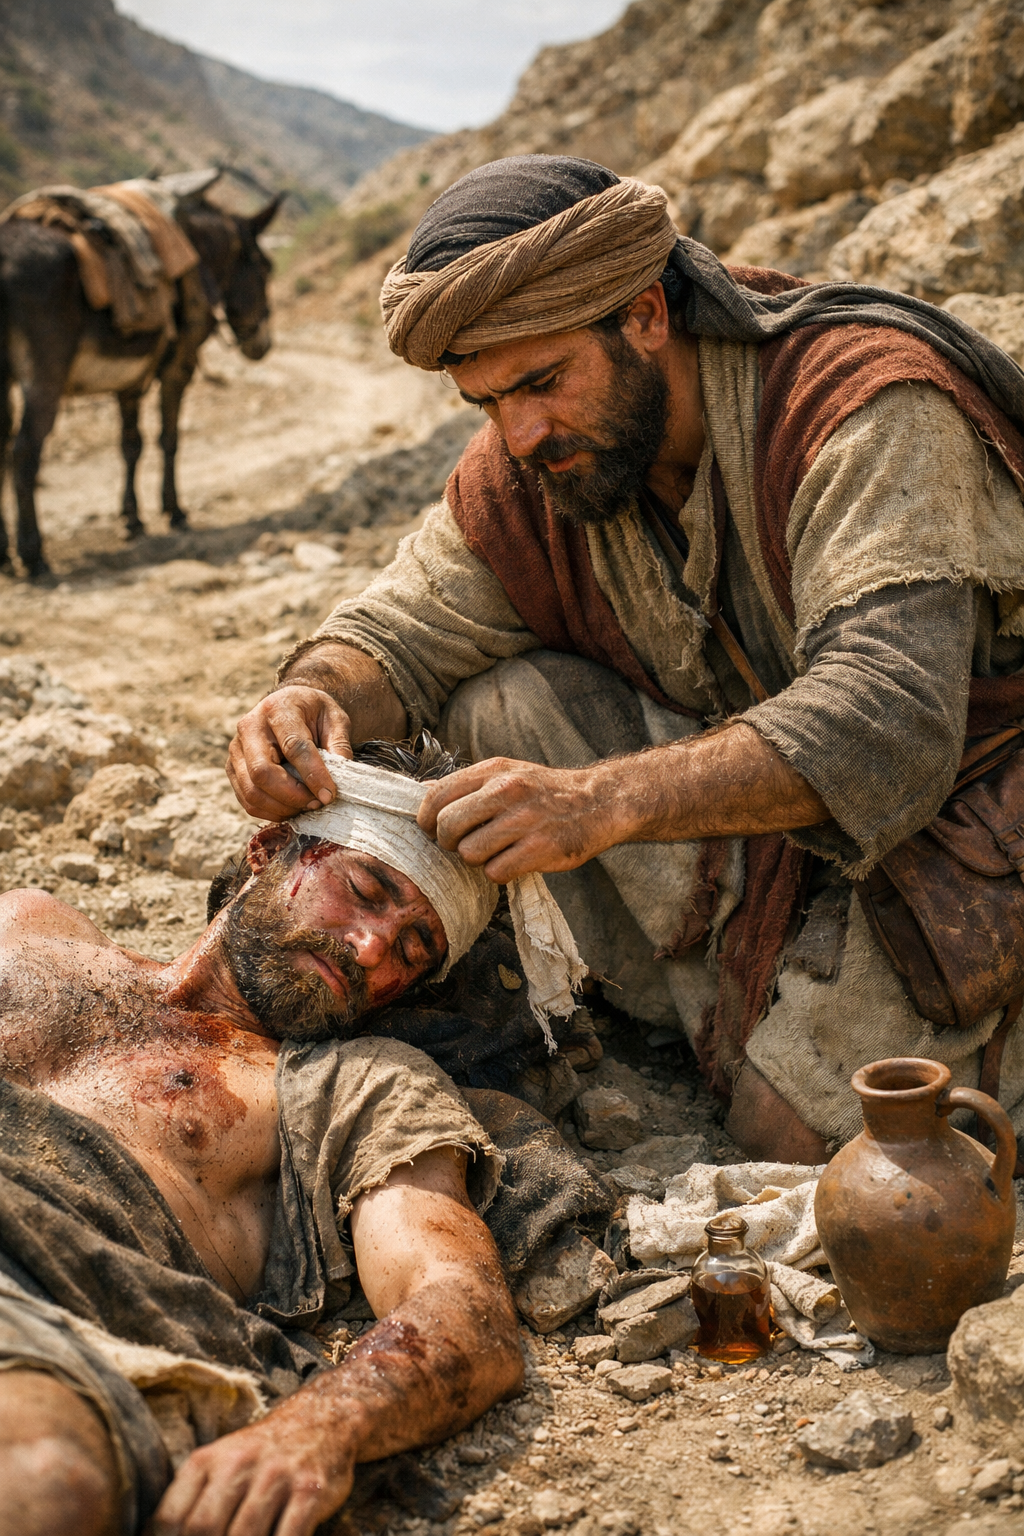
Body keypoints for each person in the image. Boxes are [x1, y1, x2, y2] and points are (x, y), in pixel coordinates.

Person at [227, 154, 1024, 1164]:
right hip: (796, 822)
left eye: (542, 383)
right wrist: (308, 695)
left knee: (800, 1137)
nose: (518, 433)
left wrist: (598, 803)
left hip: (973, 817)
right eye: (486, 404)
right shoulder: (549, 457)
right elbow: (396, 636)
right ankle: (739, 1008)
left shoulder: (863, 408)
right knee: (497, 703)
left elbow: (886, 721)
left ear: (646, 315)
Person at [0, 736, 601, 1536]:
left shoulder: (358, 1085)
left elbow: (460, 1302)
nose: (369, 948)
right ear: (269, 847)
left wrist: (320, 1426)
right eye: (364, 888)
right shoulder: (32, 927)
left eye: (413, 949)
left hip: (28, 1295)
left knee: (47, 1483)